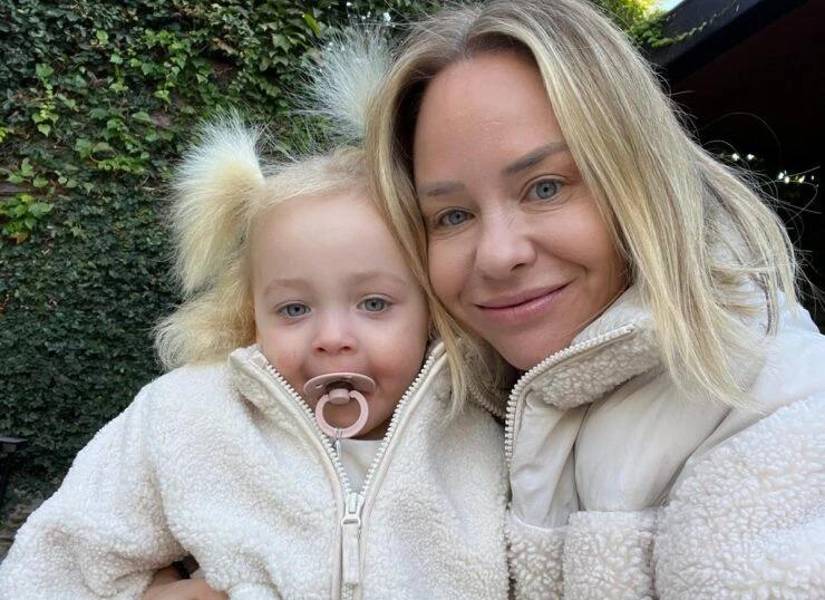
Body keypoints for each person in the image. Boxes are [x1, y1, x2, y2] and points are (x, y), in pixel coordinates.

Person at [358, 0, 825, 597]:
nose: (498, 255)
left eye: (545, 187)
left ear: (638, 178)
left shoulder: (771, 404)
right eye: (451, 215)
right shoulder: (431, 407)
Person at [0, 119, 509, 599]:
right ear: (250, 314)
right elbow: (49, 566)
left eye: (374, 304)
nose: (332, 339)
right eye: (294, 309)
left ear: (430, 310)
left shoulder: (486, 426)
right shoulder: (186, 418)